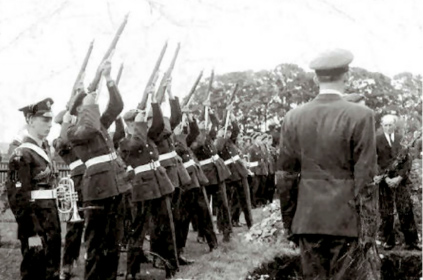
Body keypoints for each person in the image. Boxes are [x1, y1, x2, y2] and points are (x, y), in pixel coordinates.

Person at [277, 49, 378, 280]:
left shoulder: (293, 117)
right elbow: (366, 179)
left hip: (308, 220)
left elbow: (285, 177)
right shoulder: (361, 116)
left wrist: (290, 223)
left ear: (315, 79)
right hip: (346, 221)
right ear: (347, 75)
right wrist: (369, 231)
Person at [66, 61, 131, 280]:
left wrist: (109, 80)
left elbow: (117, 107)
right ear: (79, 110)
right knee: (95, 244)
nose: (93, 103)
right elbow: (91, 127)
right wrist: (89, 97)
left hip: (115, 184)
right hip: (97, 189)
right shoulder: (73, 131)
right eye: (88, 103)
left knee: (112, 242)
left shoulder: (96, 122)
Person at [7, 98, 61, 280]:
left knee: (50, 271)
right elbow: (17, 198)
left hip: (50, 220)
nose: (50, 125)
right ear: (30, 120)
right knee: (34, 272)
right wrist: (31, 232)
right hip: (35, 225)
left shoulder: (42, 152)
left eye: (51, 120)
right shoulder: (22, 154)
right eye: (44, 120)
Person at [376, 112, 421, 251]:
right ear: (382, 126)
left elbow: (408, 161)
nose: (388, 127)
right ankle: (389, 242)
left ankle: (412, 241)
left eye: (391, 125)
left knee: (405, 209)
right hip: (385, 181)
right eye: (386, 125)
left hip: (400, 180)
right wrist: (385, 178)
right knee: (386, 211)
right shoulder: (376, 140)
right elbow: (374, 161)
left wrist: (400, 177)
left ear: (394, 126)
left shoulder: (402, 139)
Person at [53, 110, 86, 280]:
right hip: (79, 184)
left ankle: (87, 261)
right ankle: (67, 264)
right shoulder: (60, 142)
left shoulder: (79, 137)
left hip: (91, 181)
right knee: (75, 228)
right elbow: (62, 144)